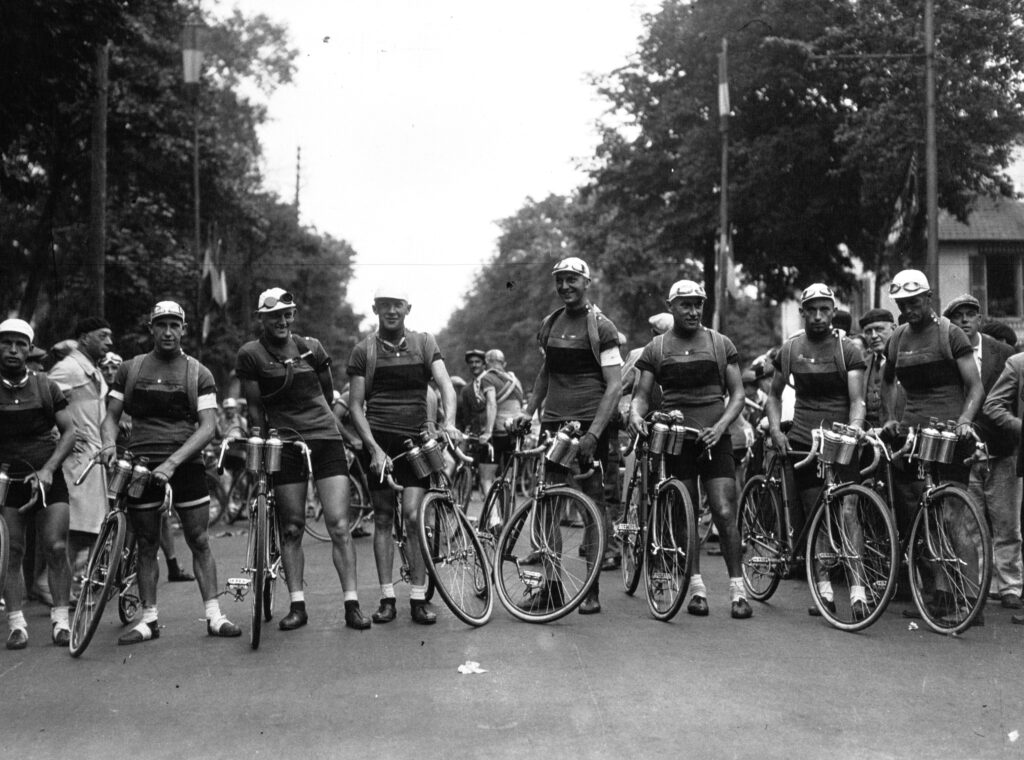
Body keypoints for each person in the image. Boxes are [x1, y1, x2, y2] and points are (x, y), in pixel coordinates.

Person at [102, 301, 240, 643]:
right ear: (152, 329)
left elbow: (208, 427)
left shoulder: (198, 372)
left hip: (185, 464)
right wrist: (107, 443)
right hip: (141, 464)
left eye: (174, 325)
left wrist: (173, 462)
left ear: (183, 329)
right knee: (147, 543)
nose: (168, 331)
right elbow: (110, 417)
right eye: (161, 324)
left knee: (199, 539)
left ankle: (214, 615)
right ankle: (148, 620)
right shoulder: (131, 369)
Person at [236, 287, 371, 631]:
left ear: (293, 316)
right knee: (292, 527)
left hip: (325, 438)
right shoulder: (251, 354)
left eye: (287, 315)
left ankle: (352, 604)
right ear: (262, 319)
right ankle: (298, 605)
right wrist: (261, 439)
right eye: (274, 316)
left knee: (339, 524)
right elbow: (255, 407)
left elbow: (327, 394)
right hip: (286, 443)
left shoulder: (312, 348)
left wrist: (332, 427)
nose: (281, 321)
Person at [628, 280, 751, 619]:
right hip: (678, 438)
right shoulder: (657, 347)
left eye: (698, 303)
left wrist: (722, 426)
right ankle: (696, 587)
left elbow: (737, 395)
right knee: (687, 513)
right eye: (685, 304)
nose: (693, 310)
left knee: (725, 511)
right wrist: (635, 414)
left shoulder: (719, 343)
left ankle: (737, 590)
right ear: (672, 306)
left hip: (715, 436)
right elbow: (641, 394)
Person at [346, 287, 461, 625]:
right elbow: (355, 405)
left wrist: (449, 421)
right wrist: (374, 449)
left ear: (408, 308)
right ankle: (387, 598)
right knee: (382, 518)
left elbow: (445, 386)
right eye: (384, 306)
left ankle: (417, 598)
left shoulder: (425, 342)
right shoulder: (363, 350)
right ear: (375, 309)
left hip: (416, 444)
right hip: (380, 441)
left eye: (397, 305)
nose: (391, 311)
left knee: (414, 517)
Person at [515, 257, 622, 614]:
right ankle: (554, 586)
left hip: (591, 425)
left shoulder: (601, 327)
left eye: (572, 280)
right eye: (560, 280)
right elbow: (546, 373)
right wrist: (528, 412)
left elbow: (614, 386)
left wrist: (594, 433)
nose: (565, 286)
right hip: (553, 424)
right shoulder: (550, 324)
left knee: (592, 505)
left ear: (585, 282)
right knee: (548, 502)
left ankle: (590, 590)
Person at [879, 270, 985, 623]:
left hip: (949, 435)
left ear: (929, 298)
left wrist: (967, 419)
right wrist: (891, 417)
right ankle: (941, 593)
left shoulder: (950, 334)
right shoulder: (896, 340)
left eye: (915, 301)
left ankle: (971, 598)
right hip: (912, 436)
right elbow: (887, 381)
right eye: (902, 304)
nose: (909, 308)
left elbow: (975, 387)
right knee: (925, 514)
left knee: (953, 514)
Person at [766, 283, 868, 618]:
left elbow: (857, 400)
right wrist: (777, 431)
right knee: (818, 515)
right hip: (803, 440)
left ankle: (857, 590)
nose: (820, 316)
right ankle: (823, 588)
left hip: (841, 440)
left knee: (849, 511)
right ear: (804, 312)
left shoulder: (847, 348)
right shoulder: (792, 348)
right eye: (813, 310)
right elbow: (773, 394)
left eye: (826, 309)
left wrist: (855, 427)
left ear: (833, 310)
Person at [0, 318, 76, 649]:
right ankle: (17, 623)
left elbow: (70, 432)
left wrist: (48, 470)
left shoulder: (46, 385)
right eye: (6, 343)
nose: (13, 350)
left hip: (47, 475)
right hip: (7, 479)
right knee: (11, 552)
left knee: (56, 546)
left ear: (30, 350)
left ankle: (61, 621)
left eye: (20, 344)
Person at [944, 294, 1018, 609]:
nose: (964, 320)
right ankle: (980, 583)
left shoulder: (1003, 352)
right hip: (965, 449)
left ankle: (1011, 585)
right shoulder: (948, 353)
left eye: (970, 314)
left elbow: (1012, 399)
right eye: (957, 315)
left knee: (1006, 521)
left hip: (1002, 449)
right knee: (971, 522)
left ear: (979, 318)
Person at [48, 317, 113, 597]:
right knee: (77, 527)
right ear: (84, 338)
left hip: (94, 457)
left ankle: (72, 581)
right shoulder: (68, 369)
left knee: (90, 525)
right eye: (103, 336)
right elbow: (44, 399)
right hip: (77, 460)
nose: (109, 342)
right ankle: (47, 582)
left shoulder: (92, 370)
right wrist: (57, 434)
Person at [982, 343, 1024, 622]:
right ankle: (1006, 586)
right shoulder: (1018, 363)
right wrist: (1020, 426)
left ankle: (1011, 584)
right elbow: (993, 404)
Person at [476, 349, 525, 500]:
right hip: (516, 433)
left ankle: (493, 518)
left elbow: (491, 404)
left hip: (497, 433)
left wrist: (488, 432)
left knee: (486, 478)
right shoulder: (515, 380)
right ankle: (509, 519)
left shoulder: (488, 378)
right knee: (509, 481)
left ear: (486, 363)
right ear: (504, 363)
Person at [858, 308, 899, 429]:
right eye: (868, 332)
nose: (874, 336)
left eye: (879, 329)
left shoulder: (905, 361)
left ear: (894, 328)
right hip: (868, 437)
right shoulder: (862, 364)